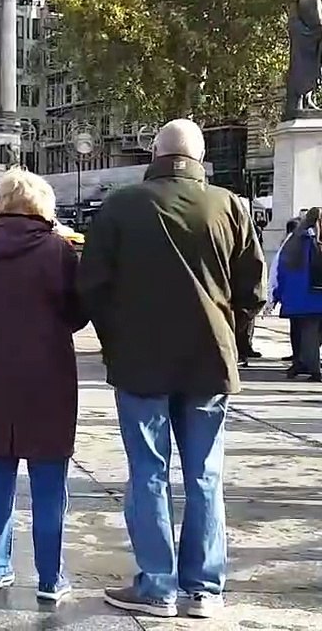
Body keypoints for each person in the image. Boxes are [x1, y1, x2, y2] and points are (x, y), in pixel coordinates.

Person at [79, 119, 265, 619]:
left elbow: (91, 285)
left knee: (148, 472)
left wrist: (114, 338)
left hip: (140, 360)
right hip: (210, 359)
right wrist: (233, 333)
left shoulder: (120, 205)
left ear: (155, 152)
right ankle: (203, 590)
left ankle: (157, 585)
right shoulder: (231, 207)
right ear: (198, 158)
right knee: (205, 474)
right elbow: (254, 291)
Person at [0, 169, 85, 603]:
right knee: (48, 478)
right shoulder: (58, 250)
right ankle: (50, 577)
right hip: (47, 374)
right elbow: (78, 311)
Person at [274, 208, 322, 381]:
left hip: (303, 298)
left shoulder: (295, 240)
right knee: (314, 335)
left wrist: (278, 294)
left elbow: (282, 268)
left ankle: (312, 368)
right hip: (312, 296)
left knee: (308, 333)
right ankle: (308, 363)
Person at [270, 217, 302, 364]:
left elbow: (276, 272)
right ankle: (305, 357)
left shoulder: (287, 246)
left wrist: (274, 295)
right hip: (306, 294)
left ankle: (300, 357)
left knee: (297, 328)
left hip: (293, 295)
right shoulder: (307, 243)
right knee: (306, 329)